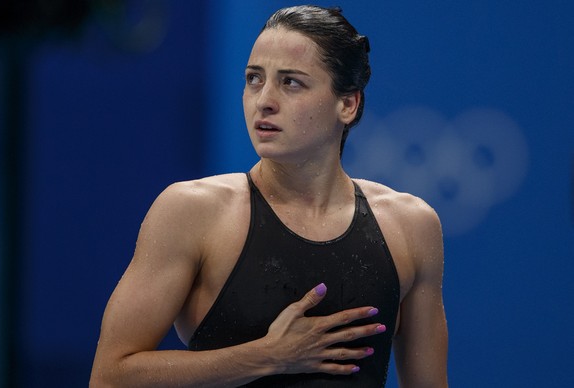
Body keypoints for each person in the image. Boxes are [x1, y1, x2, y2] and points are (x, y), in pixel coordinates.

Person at [90, 5, 448, 387]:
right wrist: (264, 357)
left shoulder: (410, 226)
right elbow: (110, 376)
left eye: (291, 82)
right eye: (254, 79)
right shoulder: (193, 212)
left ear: (347, 104)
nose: (264, 100)